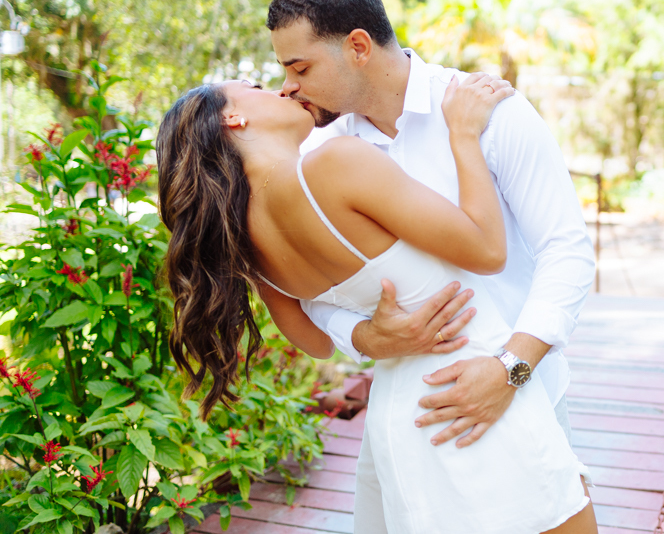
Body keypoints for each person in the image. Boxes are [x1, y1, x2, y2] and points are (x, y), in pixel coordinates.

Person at [156, 69, 598, 533]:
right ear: (233, 118)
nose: (283, 88)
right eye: (257, 88)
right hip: (470, 390)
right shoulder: (337, 161)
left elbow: (315, 342)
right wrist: (464, 135)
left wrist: (366, 335)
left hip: (401, 413)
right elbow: (488, 250)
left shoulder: (242, 234)